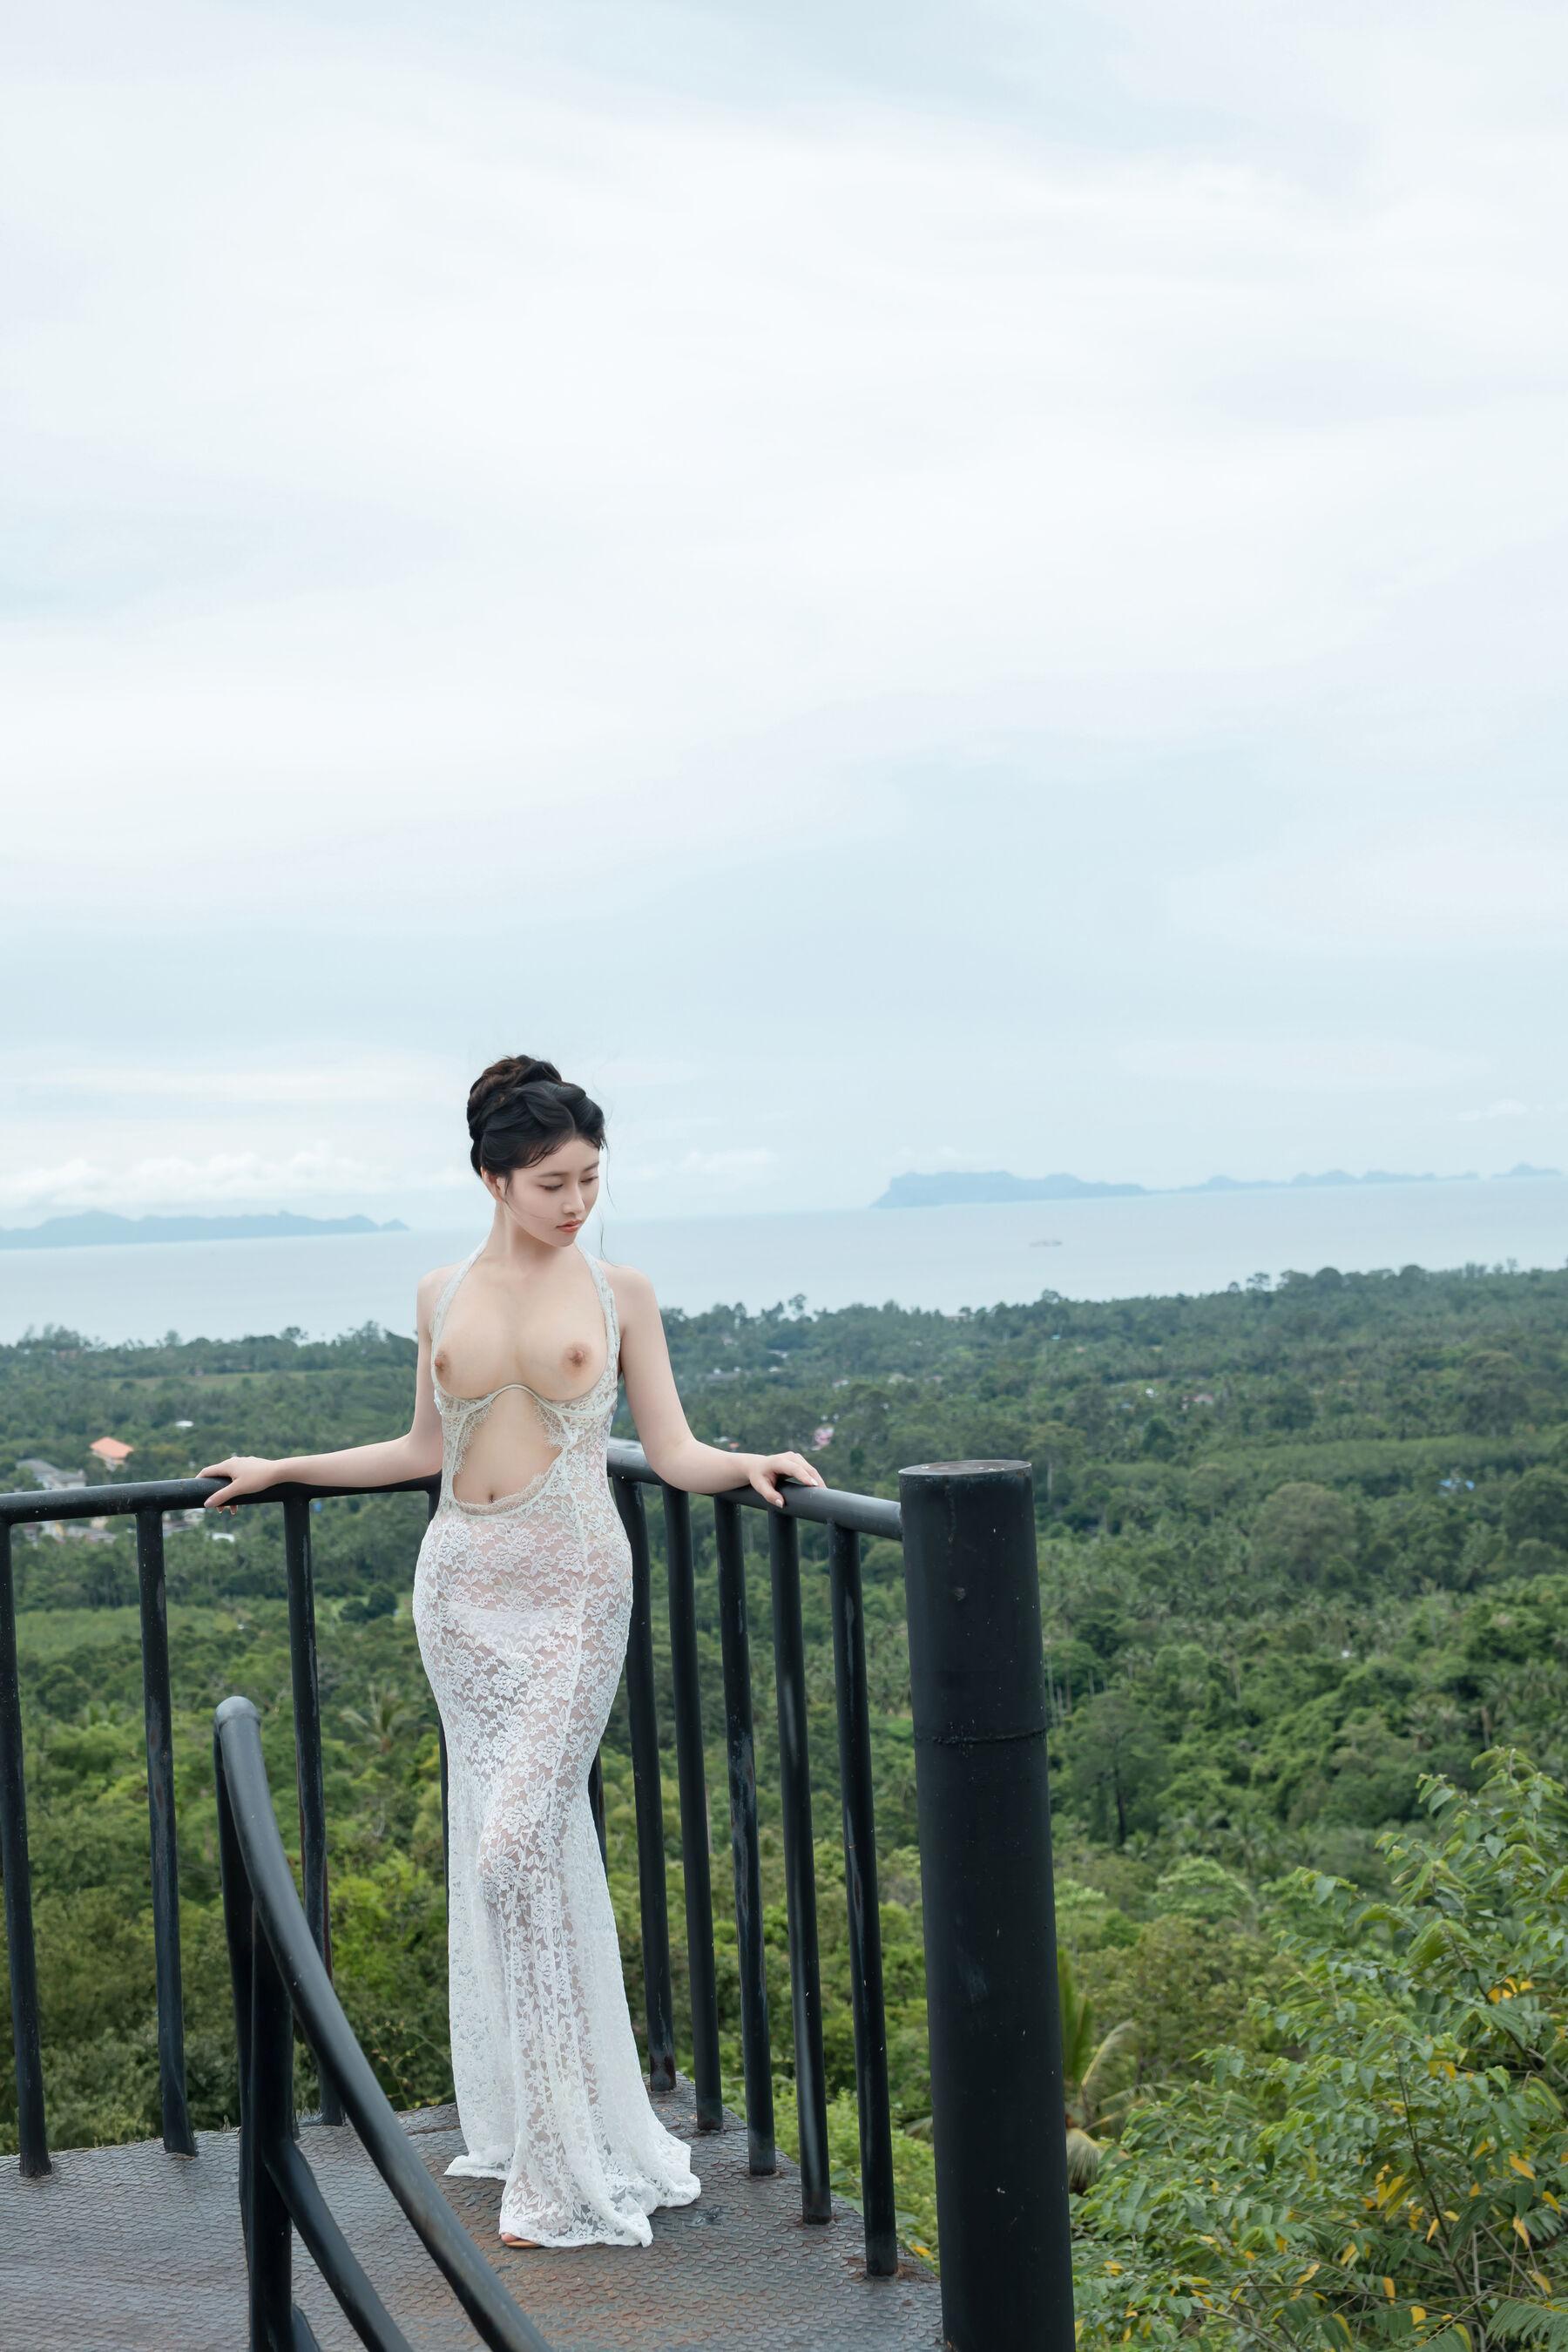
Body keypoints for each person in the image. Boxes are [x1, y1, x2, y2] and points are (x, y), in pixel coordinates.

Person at [200, 1052, 827, 2248]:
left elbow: (672, 1450)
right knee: (510, 1851)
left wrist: (747, 1465)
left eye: (591, 1177)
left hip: (576, 1587)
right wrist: (284, 1468)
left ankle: (561, 2165)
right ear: (493, 1178)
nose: (578, 1201)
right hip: (461, 1591)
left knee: (514, 1847)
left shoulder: (621, 1293)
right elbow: (421, 1449)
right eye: (553, 1182)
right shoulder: (439, 1292)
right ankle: (542, 2123)